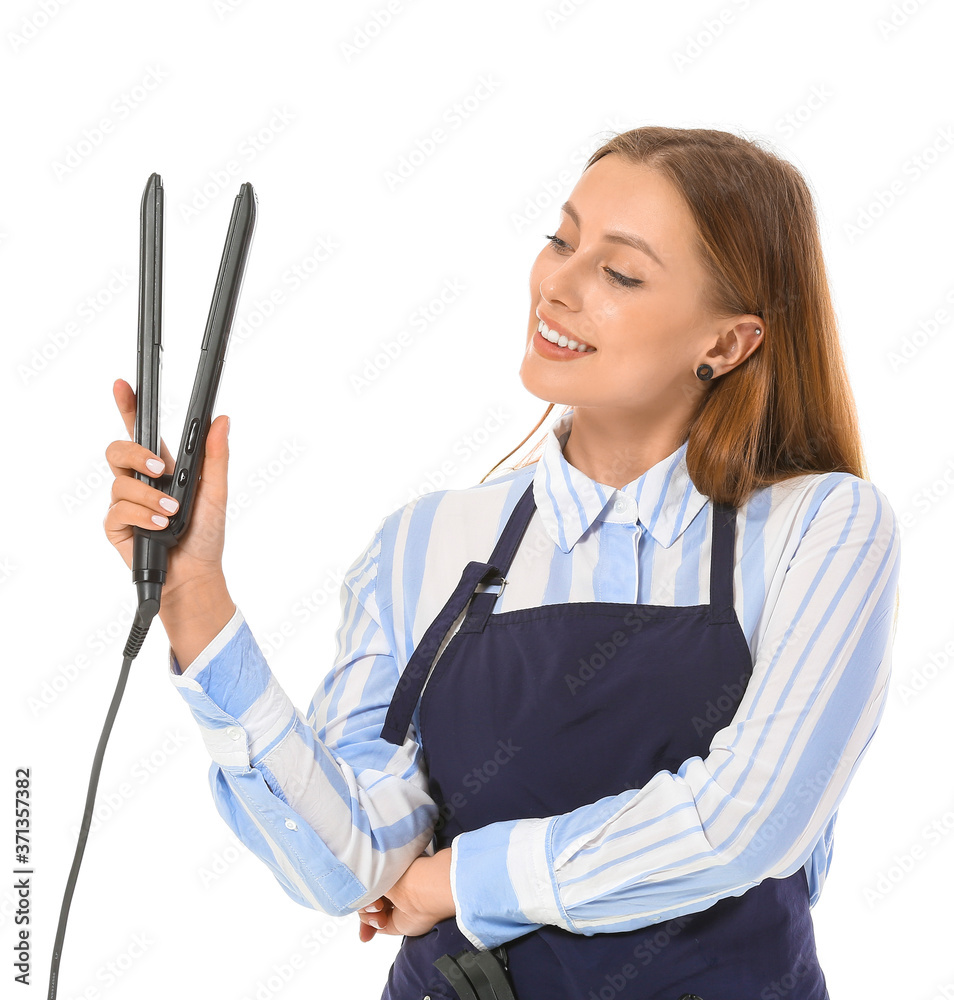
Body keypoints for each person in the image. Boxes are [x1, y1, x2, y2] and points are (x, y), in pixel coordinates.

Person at [103, 126, 901, 1000]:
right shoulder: (425, 544)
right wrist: (195, 598)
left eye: (621, 273)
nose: (557, 283)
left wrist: (458, 881)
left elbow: (745, 820)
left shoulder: (822, 528)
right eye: (561, 240)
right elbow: (354, 859)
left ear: (728, 343)